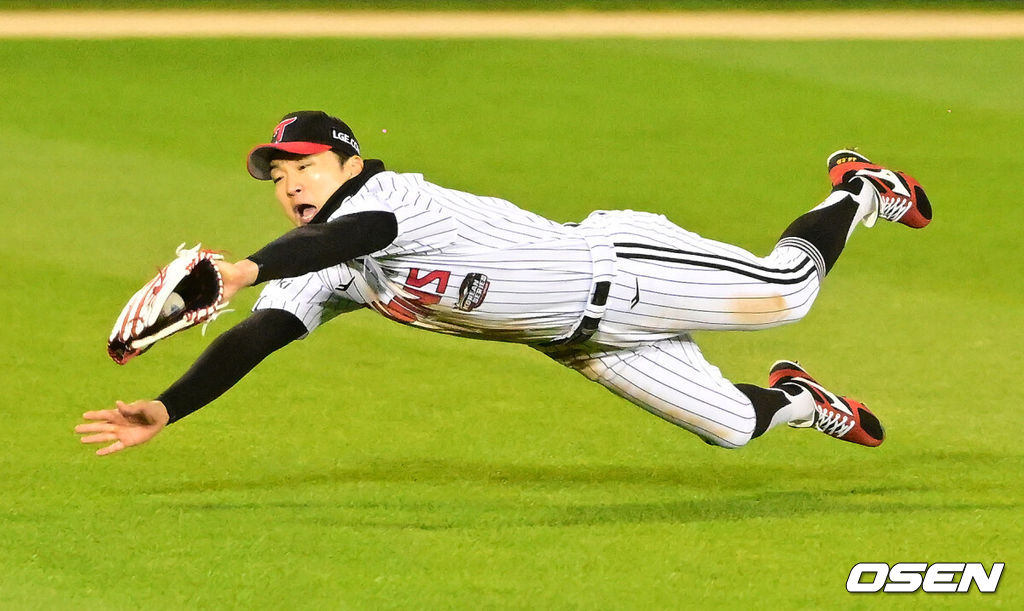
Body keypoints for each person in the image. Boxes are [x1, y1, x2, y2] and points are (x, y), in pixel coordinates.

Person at [75, 110, 931, 456]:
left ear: (348, 159)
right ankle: (800, 396)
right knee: (734, 428)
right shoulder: (323, 260)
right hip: (583, 343)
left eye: (301, 166)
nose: (287, 183)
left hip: (625, 271)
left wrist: (247, 265)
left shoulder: (389, 198)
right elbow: (259, 331)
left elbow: (363, 232)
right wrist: (169, 406)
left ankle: (859, 188)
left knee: (791, 291)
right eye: (275, 176)